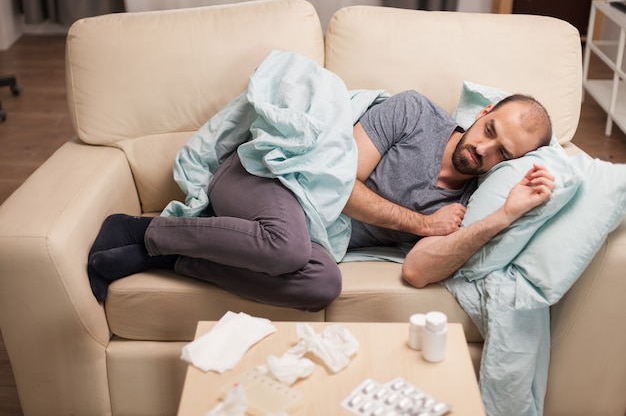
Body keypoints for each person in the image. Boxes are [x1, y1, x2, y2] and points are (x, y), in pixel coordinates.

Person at [87, 90, 554, 311]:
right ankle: (135, 230)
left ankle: (174, 260)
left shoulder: (473, 203)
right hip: (267, 176)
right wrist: (423, 224)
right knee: (287, 247)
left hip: (301, 233)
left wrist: (504, 215)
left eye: (503, 154)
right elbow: (338, 185)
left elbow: (416, 271)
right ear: (484, 112)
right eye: (489, 131)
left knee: (321, 287)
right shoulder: (415, 113)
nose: (483, 150)